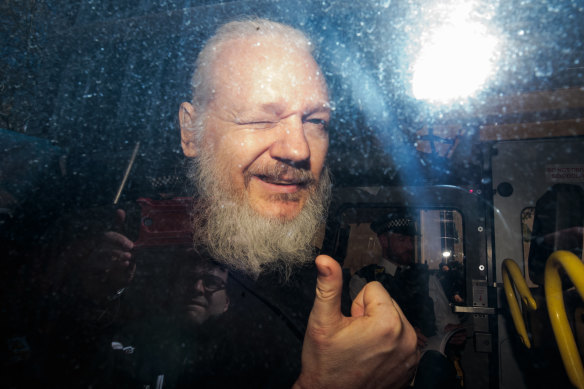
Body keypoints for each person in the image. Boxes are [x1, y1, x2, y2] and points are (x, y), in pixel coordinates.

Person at [35, 17, 418, 388]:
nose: (299, 149)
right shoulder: (89, 262)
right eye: (258, 119)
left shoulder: (314, 283)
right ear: (191, 131)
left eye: (316, 121)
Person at [349, 213, 465, 388]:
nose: (410, 246)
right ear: (384, 241)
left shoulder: (427, 277)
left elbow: (444, 320)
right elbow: (362, 332)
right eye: (402, 240)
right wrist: (400, 335)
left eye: (412, 240)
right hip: (384, 368)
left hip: (426, 360)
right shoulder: (363, 280)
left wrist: (453, 331)